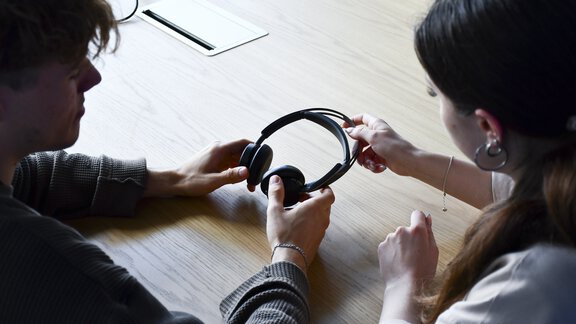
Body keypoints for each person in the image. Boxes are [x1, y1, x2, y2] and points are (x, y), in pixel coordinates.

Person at [0, 0, 334, 323]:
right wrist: (290, 258)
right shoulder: (48, 270)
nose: (93, 77)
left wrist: (169, 179)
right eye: (72, 69)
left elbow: (25, 177)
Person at [345, 0, 576, 322]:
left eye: (435, 95)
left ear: (487, 127)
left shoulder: (525, 288)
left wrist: (403, 283)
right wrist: (411, 159)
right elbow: (518, 188)